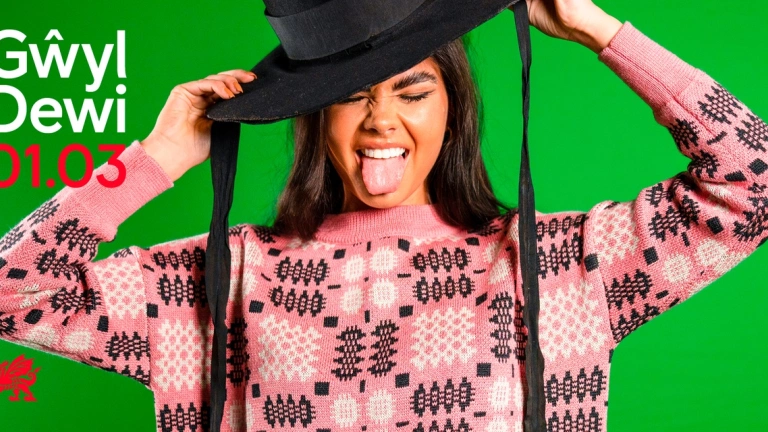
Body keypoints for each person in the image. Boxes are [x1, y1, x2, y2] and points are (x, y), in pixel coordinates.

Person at [1, 0, 765, 431]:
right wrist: (154, 161)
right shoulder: (218, 282)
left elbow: (751, 186)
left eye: (411, 91)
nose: (380, 123)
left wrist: (605, 32)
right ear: (309, 116)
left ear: (454, 109)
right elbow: (12, 294)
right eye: (350, 95)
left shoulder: (564, 266)